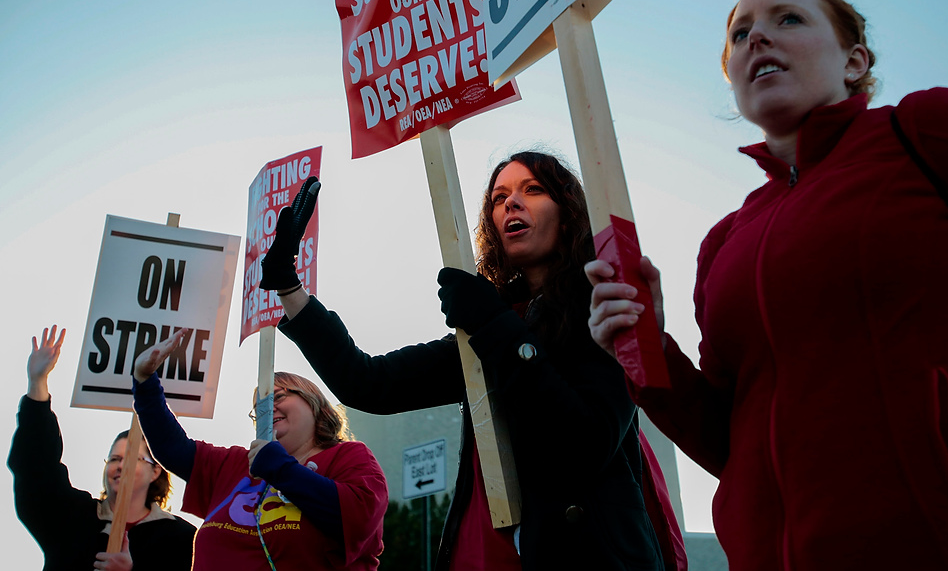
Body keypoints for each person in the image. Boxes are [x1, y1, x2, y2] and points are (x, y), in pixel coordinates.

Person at [587, 0, 948, 570]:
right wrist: (647, 344)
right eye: (741, 33)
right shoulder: (724, 242)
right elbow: (734, 442)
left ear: (854, 60)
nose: (757, 39)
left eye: (788, 19)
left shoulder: (925, 133)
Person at [264, 153, 673, 570]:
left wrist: (492, 324)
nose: (511, 203)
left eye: (532, 190)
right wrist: (289, 286)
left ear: (567, 215)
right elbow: (367, 382)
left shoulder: (607, 306)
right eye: (499, 197)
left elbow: (583, 446)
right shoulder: (494, 324)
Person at [130, 331, 387, 571]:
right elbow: (172, 449)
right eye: (259, 405)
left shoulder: (349, 456)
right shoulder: (235, 464)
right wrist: (144, 382)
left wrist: (281, 468)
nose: (267, 407)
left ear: (314, 402)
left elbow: (359, 517)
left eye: (278, 396)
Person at [8, 325, 196, 571]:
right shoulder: (73, 517)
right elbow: (36, 471)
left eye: (132, 460)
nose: (120, 466)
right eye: (114, 459)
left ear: (156, 472)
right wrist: (37, 385)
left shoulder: (182, 539)